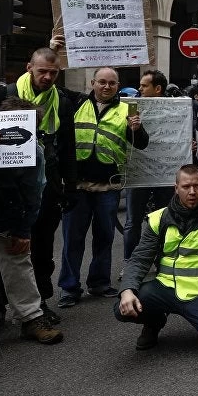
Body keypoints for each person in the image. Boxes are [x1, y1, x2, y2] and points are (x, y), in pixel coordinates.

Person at [115, 165, 198, 358]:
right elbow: (140, 258)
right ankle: (155, 321)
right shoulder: (159, 218)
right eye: (186, 186)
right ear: (176, 188)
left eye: (197, 186)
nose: (192, 191)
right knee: (122, 308)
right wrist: (127, 291)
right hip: (166, 288)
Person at [0, 44, 77, 324]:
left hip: (46, 183)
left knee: (41, 246)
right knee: (7, 246)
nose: (48, 77)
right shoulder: (3, 94)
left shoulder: (61, 101)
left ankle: (39, 304)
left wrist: (70, 186)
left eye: (54, 73)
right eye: (43, 71)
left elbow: (68, 146)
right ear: (29, 68)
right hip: (5, 184)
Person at [58, 67, 149, 308]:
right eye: (102, 82)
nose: (106, 87)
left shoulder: (127, 110)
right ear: (93, 83)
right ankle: (69, 288)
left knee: (104, 237)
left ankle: (98, 282)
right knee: (72, 239)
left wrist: (137, 128)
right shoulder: (76, 104)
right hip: (76, 186)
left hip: (109, 187)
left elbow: (141, 144)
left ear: (117, 85)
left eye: (111, 83)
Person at [0, 98, 63, 344]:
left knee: (18, 263)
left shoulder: (35, 152)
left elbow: (34, 194)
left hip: (5, 216)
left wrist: (23, 231)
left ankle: (31, 318)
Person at [121, 70, 175, 270]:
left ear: (158, 88)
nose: (139, 89)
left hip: (164, 172)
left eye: (144, 86)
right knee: (132, 222)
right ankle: (130, 263)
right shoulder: (130, 107)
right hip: (139, 171)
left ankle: (162, 261)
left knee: (163, 219)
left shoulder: (176, 108)